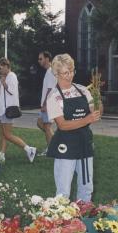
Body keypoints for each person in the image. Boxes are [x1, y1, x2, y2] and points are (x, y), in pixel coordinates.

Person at [46, 54, 102, 201]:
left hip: (84, 144)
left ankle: (84, 220)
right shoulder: (53, 97)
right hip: (65, 146)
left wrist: (98, 102)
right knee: (63, 192)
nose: (70, 75)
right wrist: (87, 119)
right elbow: (63, 125)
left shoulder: (82, 90)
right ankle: (62, 221)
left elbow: (95, 112)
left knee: (86, 188)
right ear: (56, 74)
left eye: (72, 71)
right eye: (65, 72)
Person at [0, 57, 37, 163]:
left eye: (0, 68)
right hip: (3, 110)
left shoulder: (12, 76)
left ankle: (29, 149)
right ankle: (2, 154)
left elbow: (12, 91)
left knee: (8, 135)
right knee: (3, 134)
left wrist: (4, 83)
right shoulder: (3, 78)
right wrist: (0, 85)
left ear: (6, 66)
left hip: (9, 109)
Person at [37, 51, 56, 156]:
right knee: (40, 123)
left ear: (47, 59)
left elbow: (50, 89)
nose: (39, 61)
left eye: (41, 58)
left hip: (49, 104)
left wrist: (44, 104)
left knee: (47, 127)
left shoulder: (50, 71)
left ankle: (51, 150)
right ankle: (55, 142)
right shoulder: (49, 71)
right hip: (47, 104)